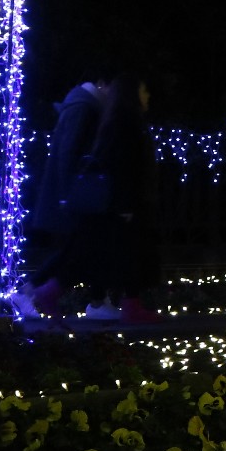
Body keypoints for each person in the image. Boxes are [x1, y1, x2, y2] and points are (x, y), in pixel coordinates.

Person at [10, 74, 110, 319]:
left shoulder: (83, 105)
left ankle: (98, 301)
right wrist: (68, 194)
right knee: (76, 247)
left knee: (81, 246)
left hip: (71, 193)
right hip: (75, 194)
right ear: (102, 84)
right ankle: (29, 291)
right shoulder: (84, 108)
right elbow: (70, 150)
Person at [76, 75, 160, 322]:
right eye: (143, 91)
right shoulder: (124, 123)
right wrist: (125, 202)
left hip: (127, 201)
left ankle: (117, 302)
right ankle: (122, 304)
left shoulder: (121, 121)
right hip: (126, 202)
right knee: (126, 253)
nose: (148, 96)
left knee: (122, 253)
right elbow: (123, 165)